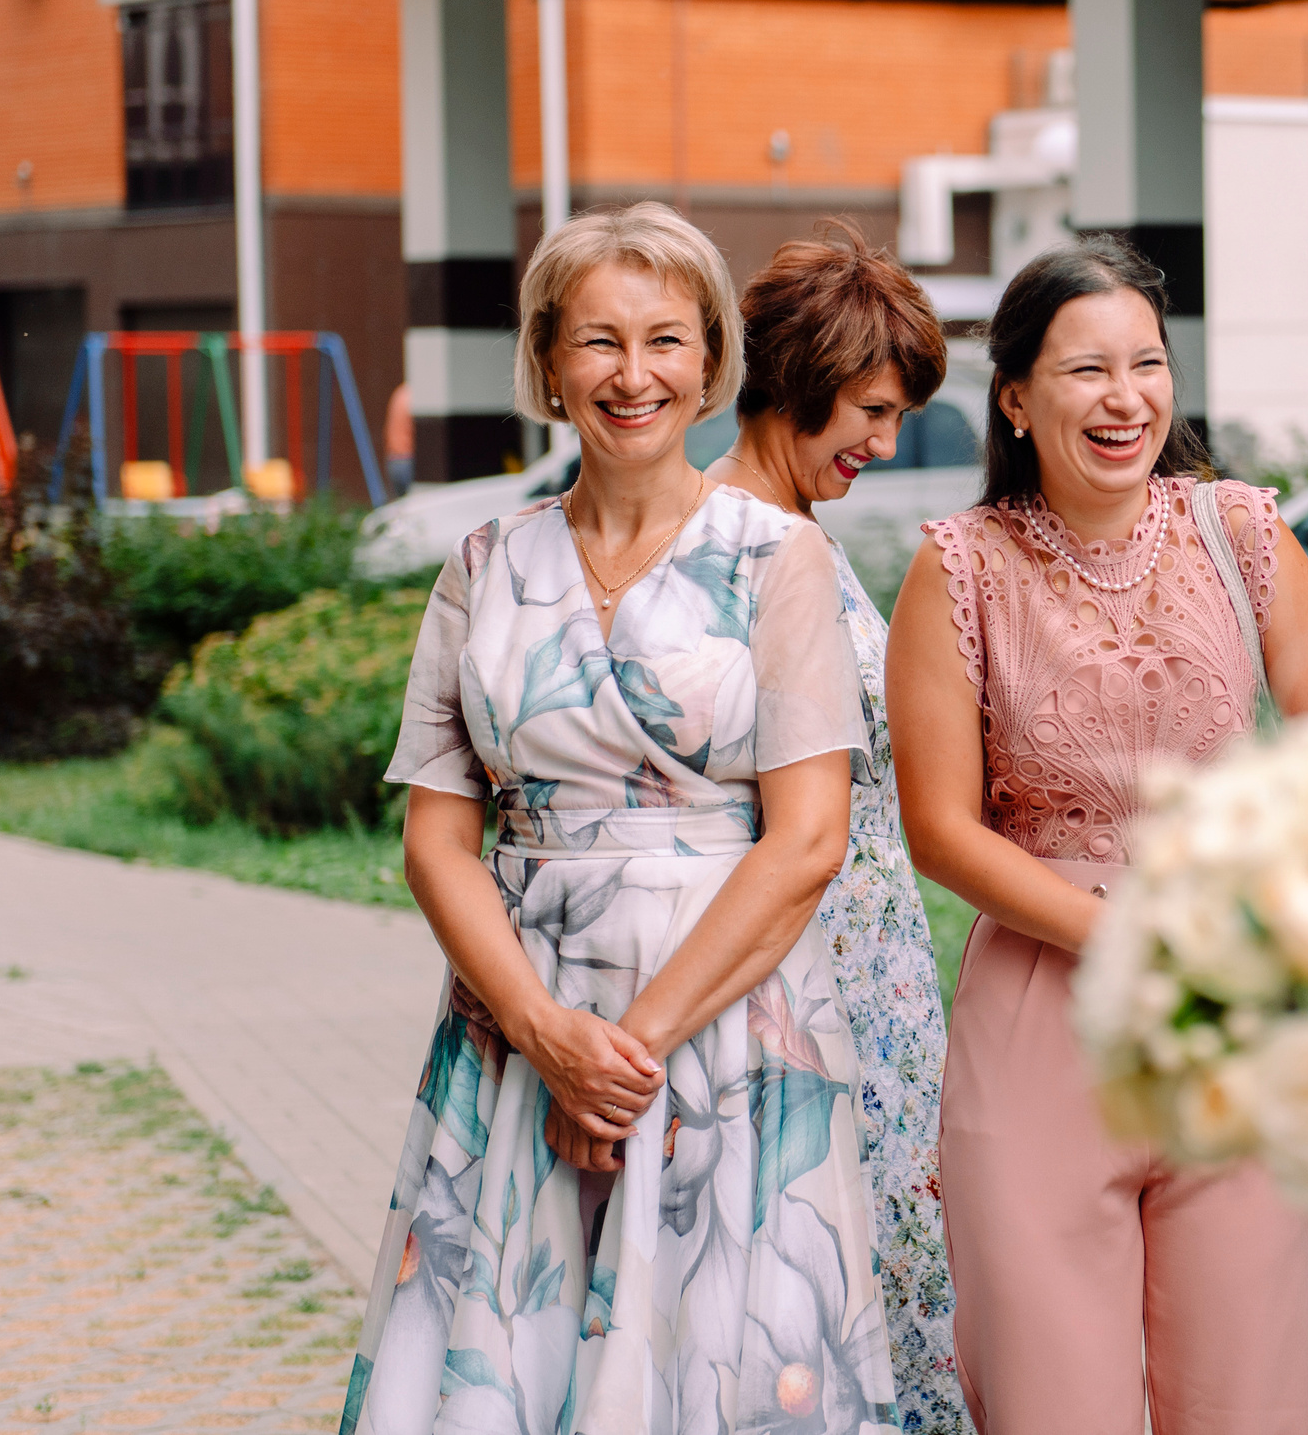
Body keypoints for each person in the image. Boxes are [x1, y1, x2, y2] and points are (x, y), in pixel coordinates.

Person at [345, 202, 897, 1435]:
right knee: (506, 1367)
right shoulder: (483, 563)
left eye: (664, 339)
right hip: (516, 1023)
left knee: (709, 1363)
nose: (631, 373)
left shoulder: (777, 559)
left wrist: (621, 1060)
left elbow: (806, 840)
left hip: (722, 1031)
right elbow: (436, 838)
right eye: (597, 341)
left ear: (711, 361)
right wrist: (548, 1036)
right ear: (548, 363)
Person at [883, 235, 1308, 1435]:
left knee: (1242, 1395)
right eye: (1087, 369)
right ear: (1016, 396)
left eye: (1146, 363)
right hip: (1044, 1011)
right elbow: (938, 827)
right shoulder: (957, 569)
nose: (1125, 397)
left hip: (1233, 1001)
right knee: (1051, 1401)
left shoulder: (1243, 534)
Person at [705, 220, 967, 1434]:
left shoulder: (798, 531)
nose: (884, 441)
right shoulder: (725, 547)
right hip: (800, 985)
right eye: (869, 407)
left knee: (902, 1285)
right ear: (796, 381)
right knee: (823, 1307)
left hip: (877, 973)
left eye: (899, 412)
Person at [382, 381, 413, 496]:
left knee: (401, 504)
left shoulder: (400, 393)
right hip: (408, 459)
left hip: (393, 459)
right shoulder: (413, 396)